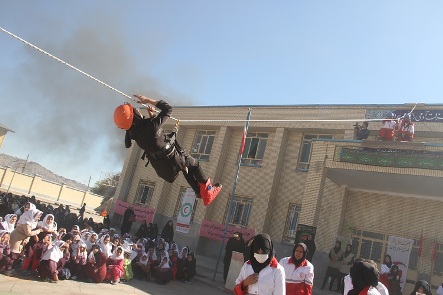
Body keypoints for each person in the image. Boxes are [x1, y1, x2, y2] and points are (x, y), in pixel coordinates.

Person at [114, 95, 222, 206]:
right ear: (134, 117)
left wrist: (152, 116)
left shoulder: (133, 133)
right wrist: (148, 100)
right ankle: (208, 193)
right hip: (172, 158)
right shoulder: (151, 126)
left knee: (186, 168)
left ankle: (198, 192)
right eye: (134, 111)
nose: (137, 110)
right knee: (195, 165)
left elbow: (148, 135)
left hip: (163, 166)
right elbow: (168, 109)